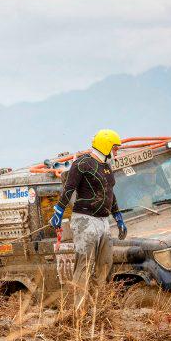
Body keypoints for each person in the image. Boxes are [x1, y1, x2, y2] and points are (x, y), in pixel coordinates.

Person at [49, 129, 128, 311]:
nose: (116, 152)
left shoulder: (106, 166)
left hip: (103, 221)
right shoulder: (82, 163)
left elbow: (110, 193)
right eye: (115, 148)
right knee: (84, 265)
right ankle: (79, 311)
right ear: (106, 146)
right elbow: (68, 189)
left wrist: (118, 217)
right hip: (84, 219)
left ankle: (98, 309)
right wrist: (58, 212)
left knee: (105, 265)